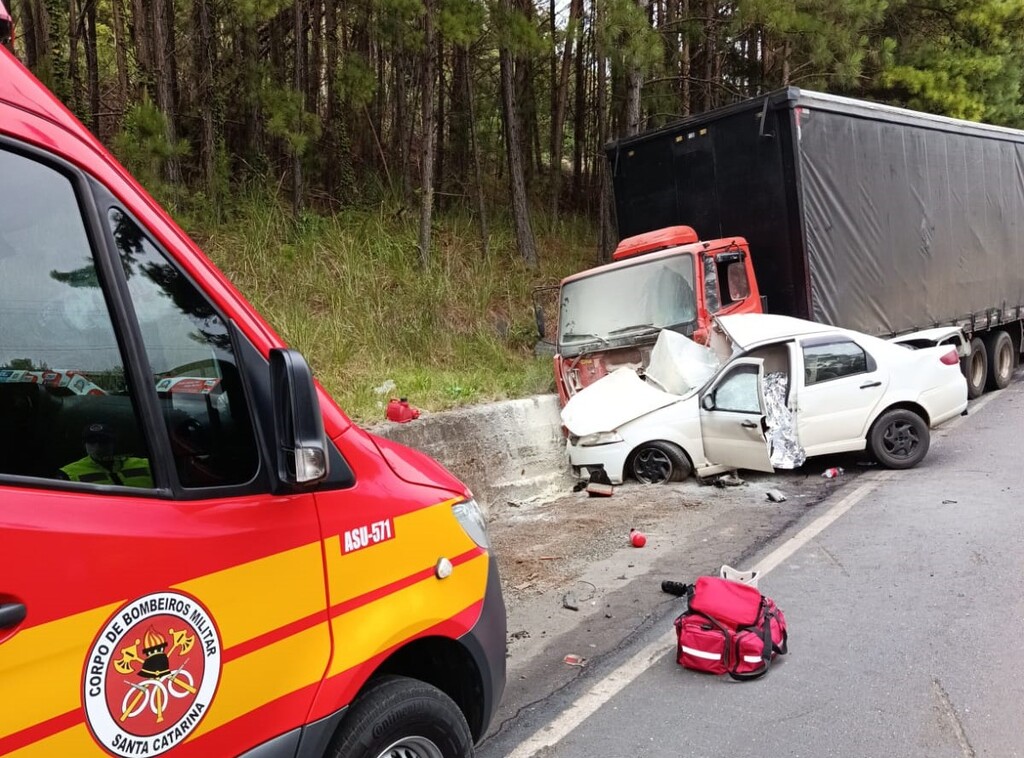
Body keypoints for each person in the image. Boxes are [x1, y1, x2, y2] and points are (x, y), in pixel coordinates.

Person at [58, 422, 154, 487]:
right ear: (84, 445)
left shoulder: (147, 465)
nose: (97, 446)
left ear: (113, 442)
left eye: (103, 441)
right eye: (92, 442)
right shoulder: (69, 473)